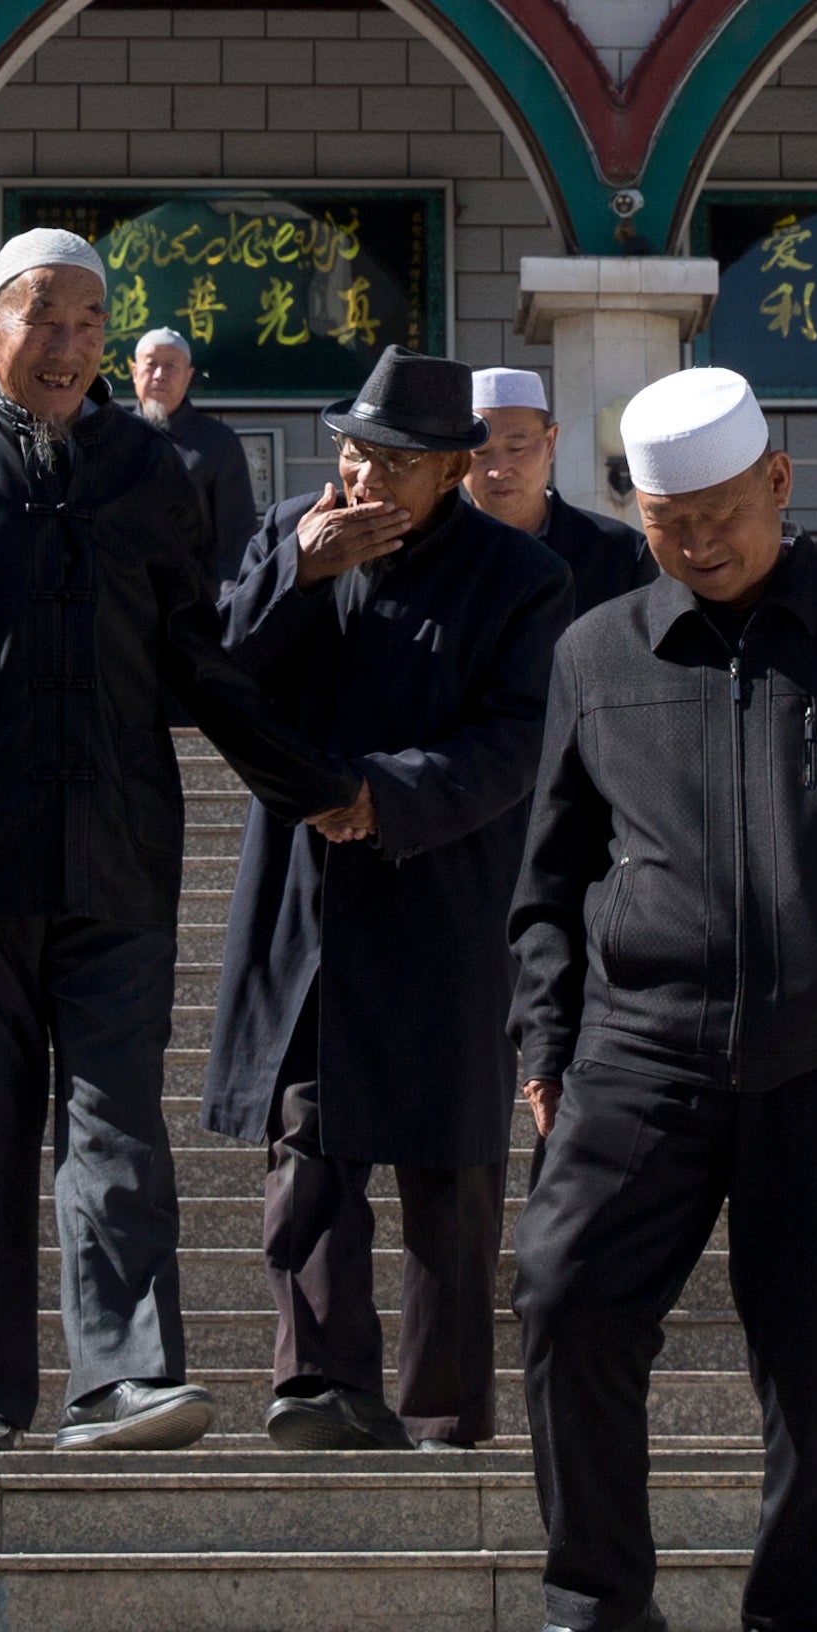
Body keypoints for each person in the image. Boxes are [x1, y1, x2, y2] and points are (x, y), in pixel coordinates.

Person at [497, 369, 817, 1632]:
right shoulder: (595, 654)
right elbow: (548, 878)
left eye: (715, 513)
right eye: (663, 522)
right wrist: (545, 1033)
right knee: (563, 1293)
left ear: (777, 481)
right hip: (636, 1052)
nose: (693, 543)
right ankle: (598, 1594)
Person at [0, 229, 353, 1453]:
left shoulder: (143, 469)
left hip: (114, 848)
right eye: (41, 321)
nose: (65, 348)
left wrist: (309, 781)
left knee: (116, 1120)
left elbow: (196, 660)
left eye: (86, 326)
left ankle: (124, 1377)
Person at [202, 350, 568, 1449]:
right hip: (307, 898)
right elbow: (213, 670)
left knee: (449, 1163)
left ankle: (443, 1404)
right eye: (354, 447)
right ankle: (318, 1380)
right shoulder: (292, 536)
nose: (364, 474)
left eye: (398, 460)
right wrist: (295, 579)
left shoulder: (518, 580)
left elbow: (518, 739)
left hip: (441, 892)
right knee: (306, 1139)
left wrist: (386, 796)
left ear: (457, 468)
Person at [465, 366, 655, 612]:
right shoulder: (430, 552)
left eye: (516, 448)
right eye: (480, 452)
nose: (499, 470)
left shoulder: (620, 553)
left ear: (550, 443)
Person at [132, 322, 264, 584]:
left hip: (194, 600)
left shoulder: (217, 442)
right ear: (135, 372)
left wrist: (227, 605)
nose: (160, 374)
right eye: (151, 364)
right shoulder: (113, 436)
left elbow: (236, 538)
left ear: (188, 375)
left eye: (171, 366)